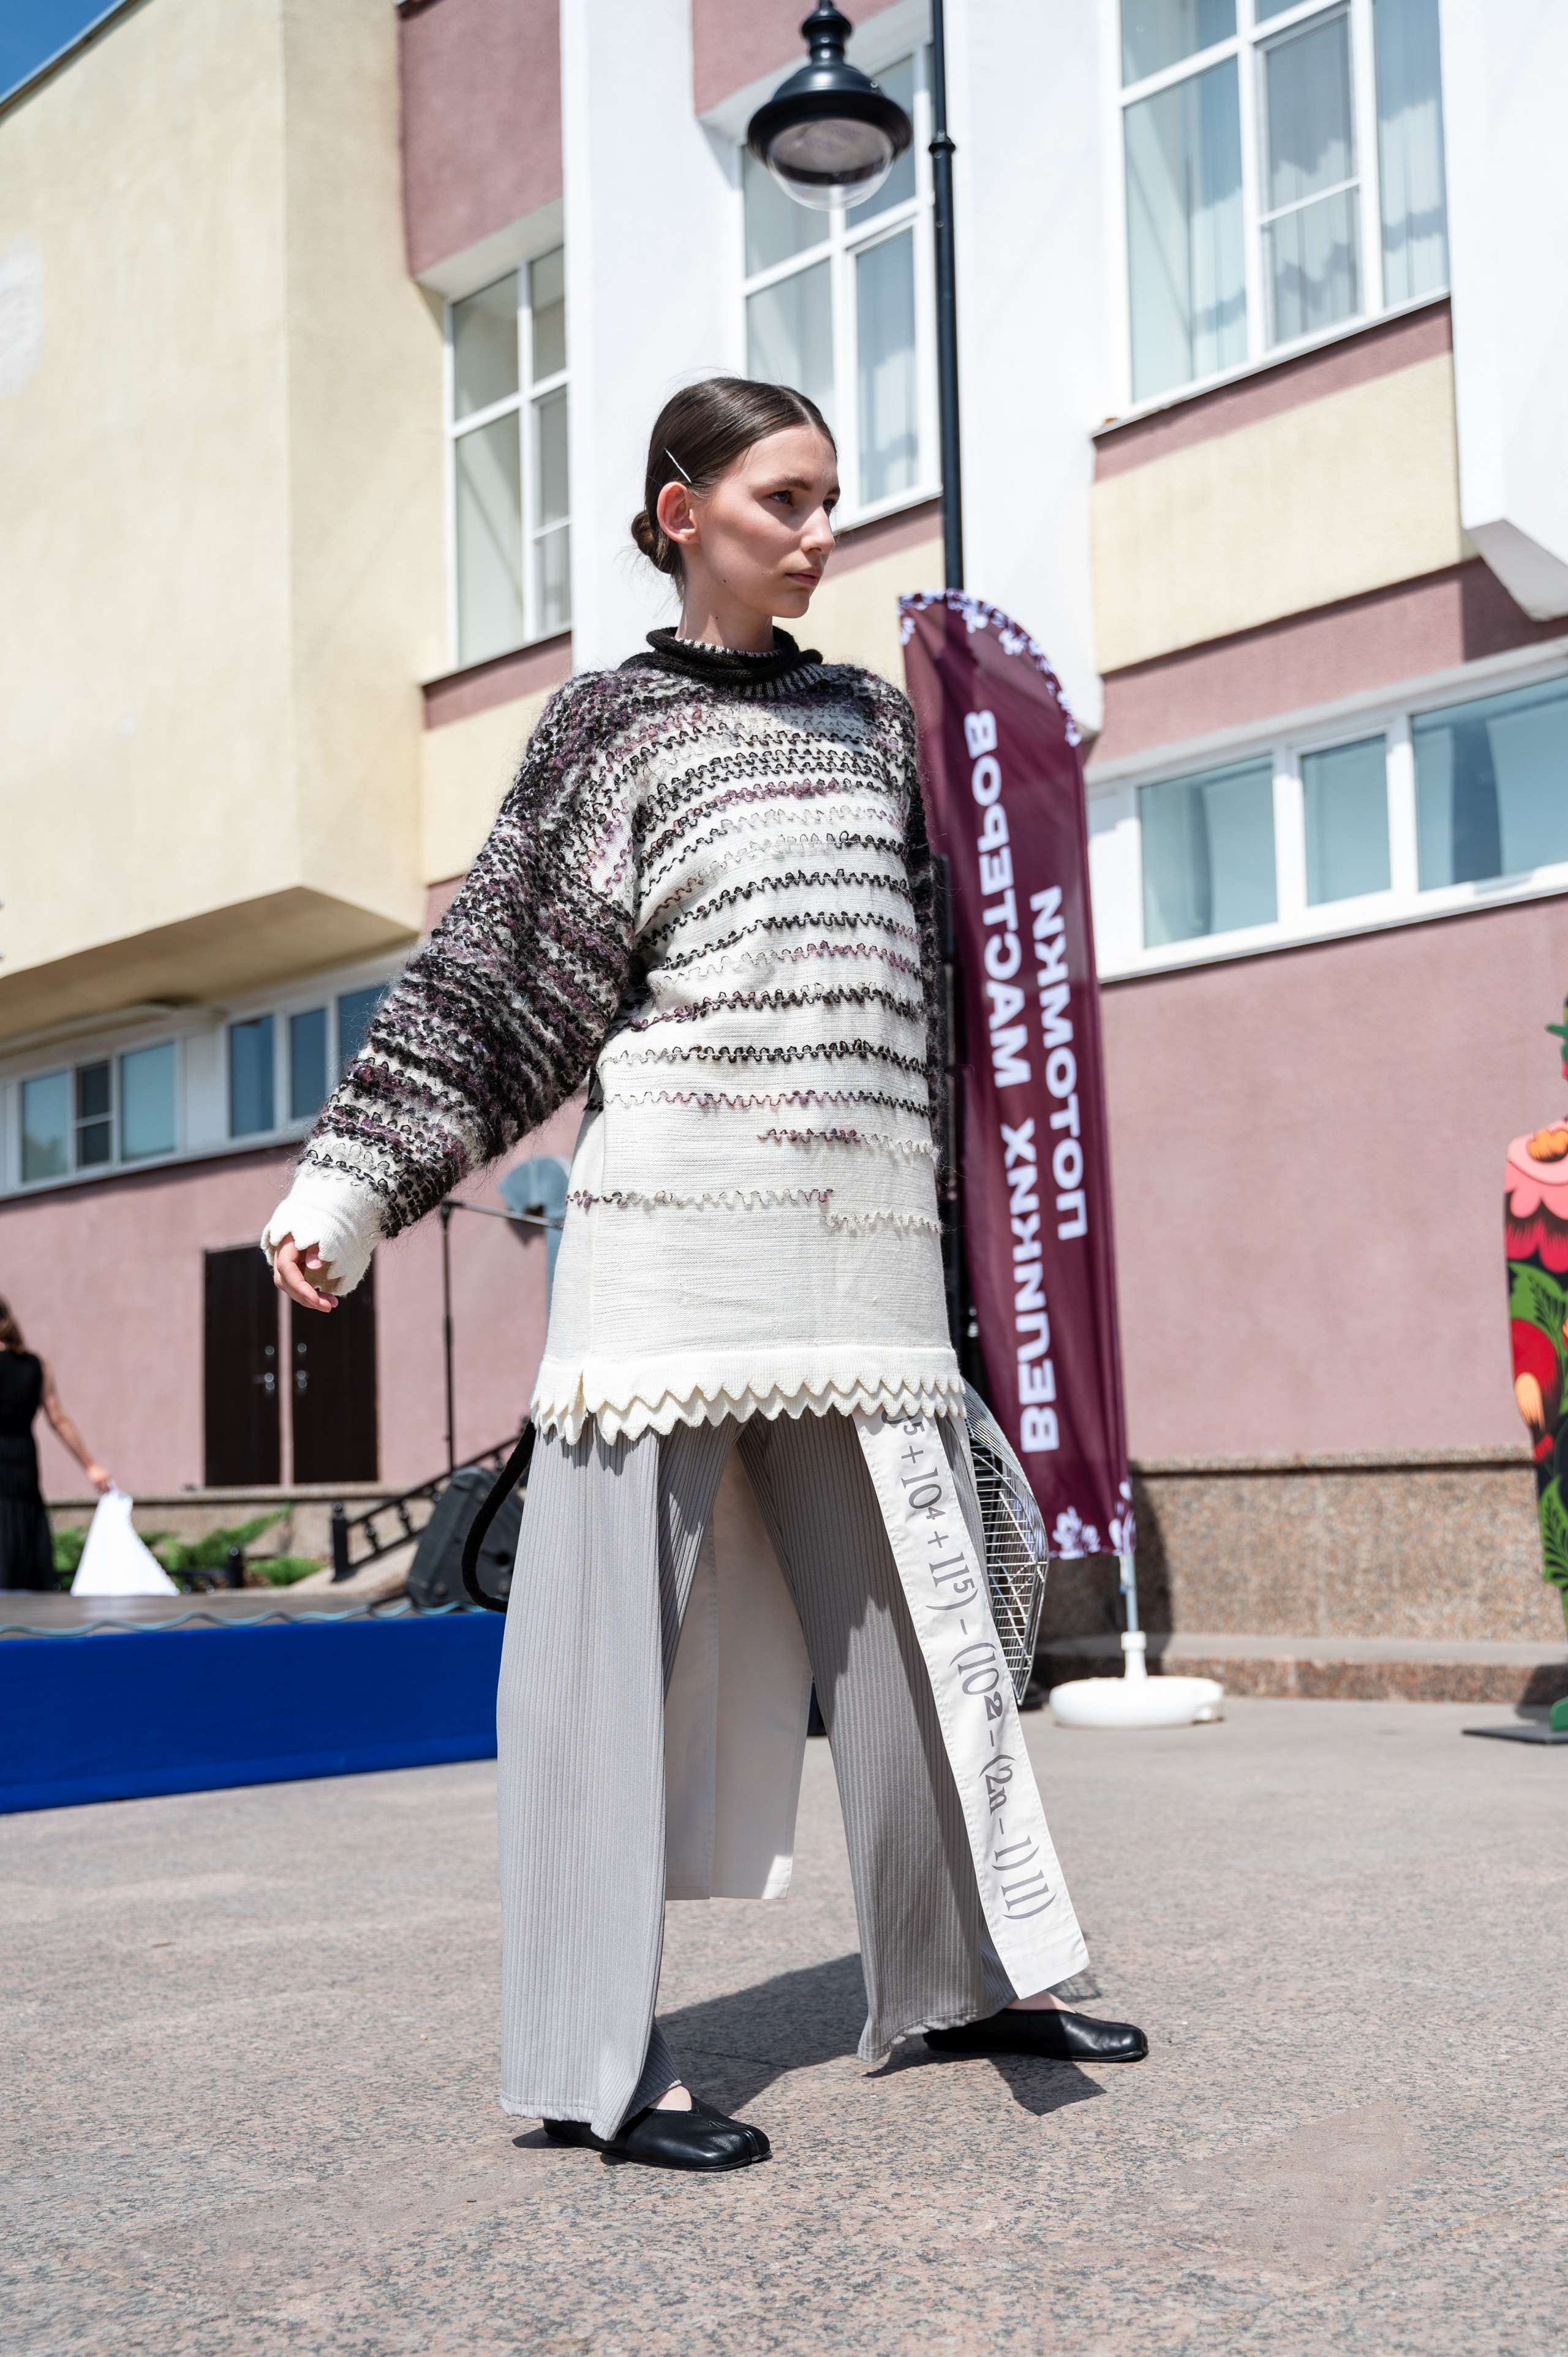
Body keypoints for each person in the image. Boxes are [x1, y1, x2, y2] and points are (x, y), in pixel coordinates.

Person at [265, 378, 1146, 2173]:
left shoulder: (871, 724)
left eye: (832, 500)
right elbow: (505, 973)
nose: (820, 532)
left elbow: (936, 986)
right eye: (783, 498)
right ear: (682, 513)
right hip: (672, 1253)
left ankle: (960, 1974)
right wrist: (353, 1183)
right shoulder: (612, 725)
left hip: (864, 1259)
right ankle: (592, 2061)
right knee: (598, 1668)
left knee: (919, 1638)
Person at [0, 1296, 113, 1591]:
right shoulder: (36, 1365)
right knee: (23, 1532)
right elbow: (58, 1418)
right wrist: (91, 1465)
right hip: (24, 1462)